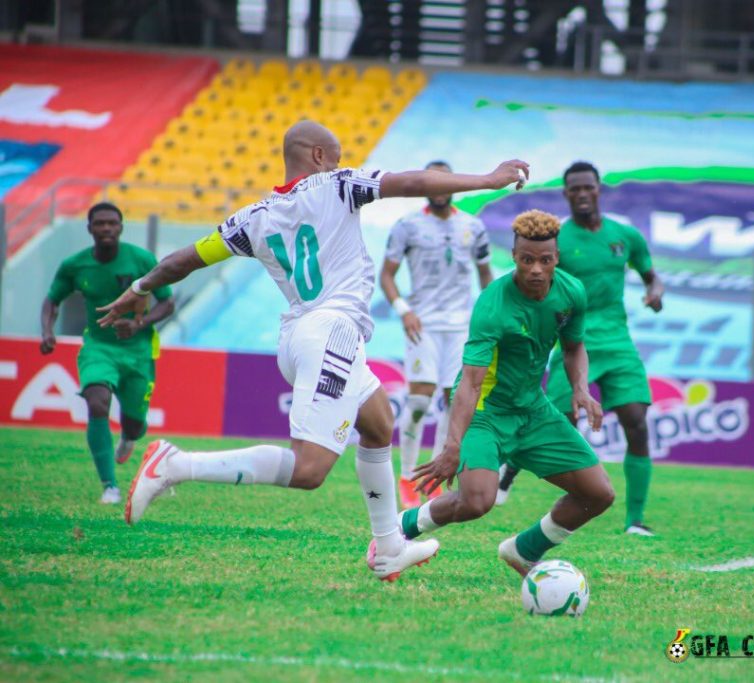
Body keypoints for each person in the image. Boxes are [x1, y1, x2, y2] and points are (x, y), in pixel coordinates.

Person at [97, 120, 529, 582]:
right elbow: (413, 182)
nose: (343, 162)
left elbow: (184, 260)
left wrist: (140, 287)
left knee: (379, 425)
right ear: (320, 157)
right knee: (309, 469)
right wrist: (485, 179)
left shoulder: (252, 217)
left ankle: (388, 549)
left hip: (301, 332)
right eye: (338, 154)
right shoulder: (339, 185)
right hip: (332, 331)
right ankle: (176, 465)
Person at [402, 210, 615, 577]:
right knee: (477, 501)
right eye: (526, 259)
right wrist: (453, 447)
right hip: (487, 412)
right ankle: (398, 529)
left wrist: (580, 388)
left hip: (534, 409)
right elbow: (468, 383)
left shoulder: (570, 293)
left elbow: (574, 346)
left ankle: (524, 550)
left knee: (599, 494)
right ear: (514, 256)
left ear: (556, 258)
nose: (535, 269)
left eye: (544, 260)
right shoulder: (493, 303)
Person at [497, 161, 665, 537]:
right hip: (574, 343)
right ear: (567, 193)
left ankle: (635, 520)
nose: (583, 194)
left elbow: (651, 276)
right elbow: (534, 284)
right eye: (575, 188)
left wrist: (655, 293)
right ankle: (509, 469)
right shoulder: (560, 241)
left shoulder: (625, 236)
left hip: (619, 342)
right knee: (554, 422)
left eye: (588, 187)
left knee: (637, 424)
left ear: (599, 189)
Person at [40, 202, 175, 505]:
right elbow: (52, 301)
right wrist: (47, 331)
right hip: (98, 347)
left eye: (112, 223)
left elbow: (167, 303)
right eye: (99, 223)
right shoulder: (75, 265)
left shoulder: (141, 260)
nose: (106, 229)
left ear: (121, 227)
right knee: (97, 402)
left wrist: (139, 323)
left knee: (135, 425)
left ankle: (128, 437)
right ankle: (109, 486)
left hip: (138, 352)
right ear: (89, 228)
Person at [379, 160, 494, 510]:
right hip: (423, 323)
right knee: (418, 400)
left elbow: (486, 277)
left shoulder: (473, 227)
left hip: (461, 327)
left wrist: (489, 320)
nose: (439, 187)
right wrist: (404, 311)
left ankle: (434, 476)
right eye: (433, 181)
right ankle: (408, 474)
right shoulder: (407, 226)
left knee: (454, 401)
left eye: (446, 181)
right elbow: (387, 276)